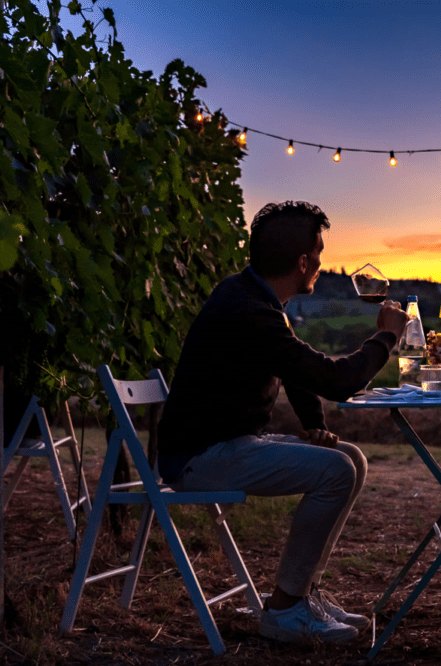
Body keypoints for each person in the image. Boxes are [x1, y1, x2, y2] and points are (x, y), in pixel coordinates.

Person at [156, 201, 408, 644]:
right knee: (336, 470)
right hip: (201, 457)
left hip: (223, 442)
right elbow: (333, 378)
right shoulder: (250, 310)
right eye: (320, 252)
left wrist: (314, 424)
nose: (323, 262)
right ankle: (286, 610)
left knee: (350, 457)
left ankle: (303, 593)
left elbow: (293, 369)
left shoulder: (249, 296)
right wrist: (385, 336)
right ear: (303, 261)